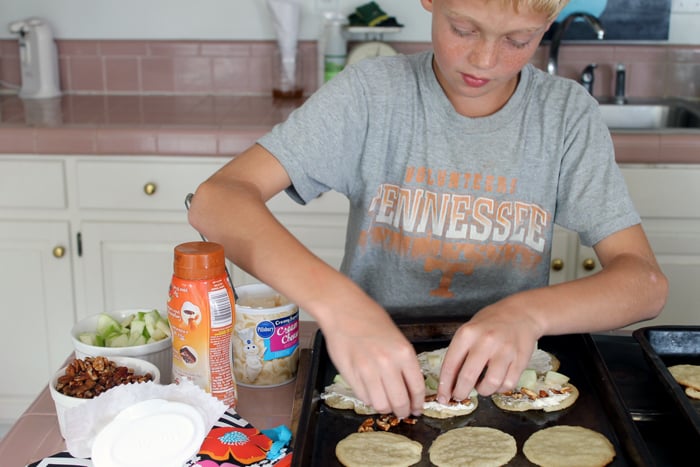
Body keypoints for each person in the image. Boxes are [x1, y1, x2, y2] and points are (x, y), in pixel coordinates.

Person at [188, 0, 668, 419]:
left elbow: (643, 284)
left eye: (517, 40)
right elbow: (218, 200)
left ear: (548, 21)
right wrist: (342, 309)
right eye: (463, 29)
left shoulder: (565, 116)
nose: (484, 58)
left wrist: (528, 315)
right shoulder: (372, 95)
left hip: (507, 378)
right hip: (369, 366)